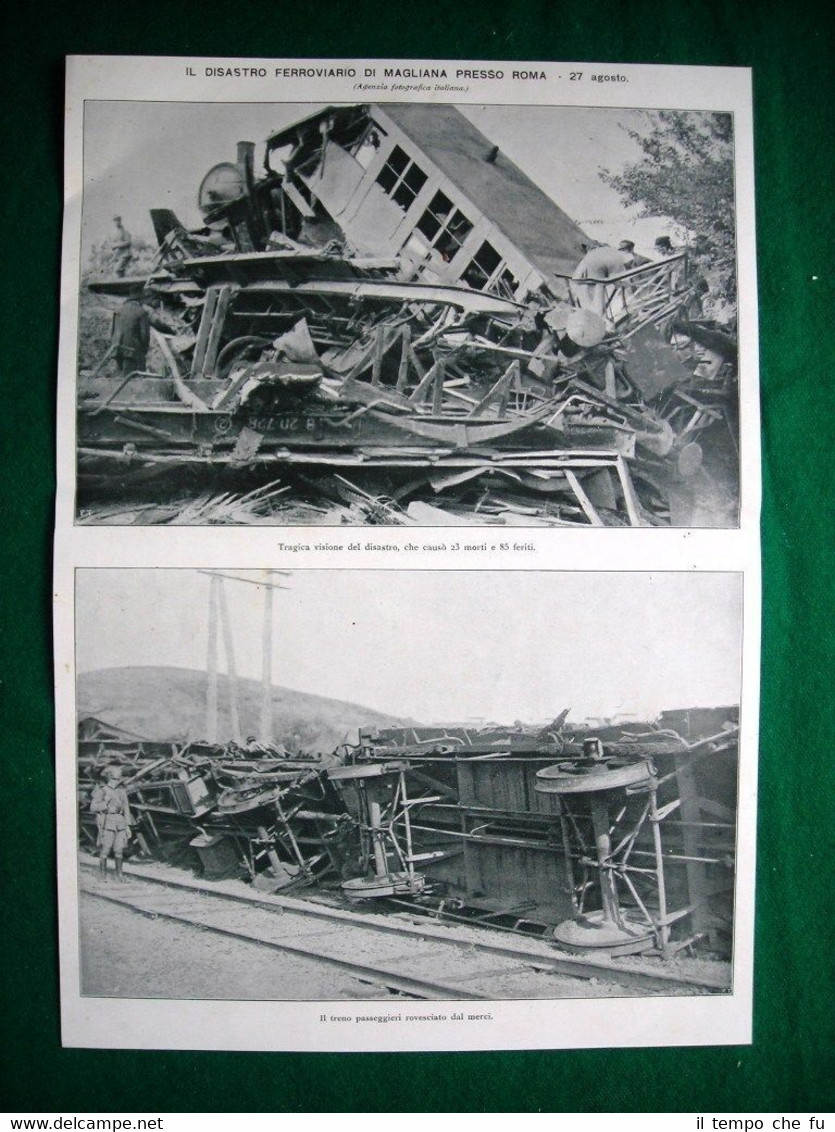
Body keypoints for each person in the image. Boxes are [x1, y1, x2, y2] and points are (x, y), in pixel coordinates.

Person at [90, 765, 133, 881]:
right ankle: (102, 875)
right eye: (114, 779)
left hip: (120, 823)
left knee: (119, 850)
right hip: (107, 822)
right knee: (106, 849)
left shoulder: (122, 791)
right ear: (109, 778)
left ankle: (119, 875)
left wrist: (128, 826)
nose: (116, 782)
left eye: (118, 779)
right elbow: (93, 807)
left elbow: (126, 809)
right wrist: (105, 802)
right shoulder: (101, 790)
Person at [571, 244, 635, 317]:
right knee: (598, 310)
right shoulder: (617, 258)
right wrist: (624, 284)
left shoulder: (609, 250)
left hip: (580, 275)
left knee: (585, 303)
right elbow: (616, 280)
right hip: (595, 278)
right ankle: (599, 319)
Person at [111, 290, 151, 376]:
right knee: (132, 378)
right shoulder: (141, 312)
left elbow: (112, 331)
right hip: (132, 350)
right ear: (140, 299)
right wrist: (144, 350)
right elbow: (145, 335)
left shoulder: (118, 310)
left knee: (119, 375)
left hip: (117, 348)